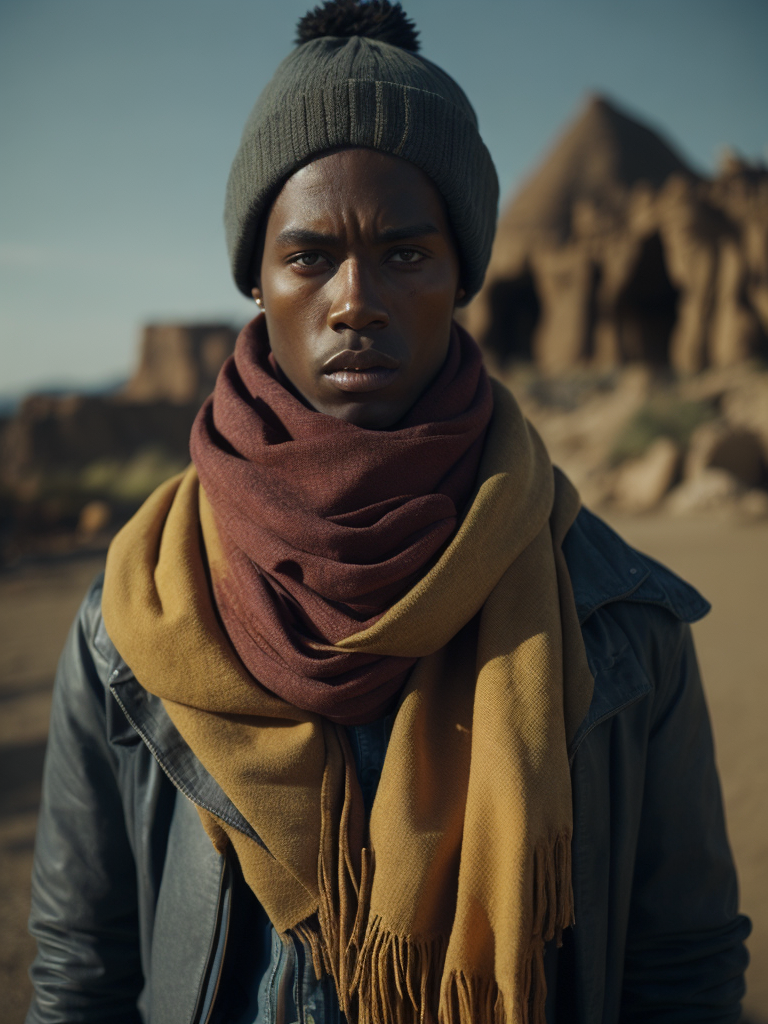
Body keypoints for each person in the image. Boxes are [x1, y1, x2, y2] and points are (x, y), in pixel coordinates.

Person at [26, 3, 750, 1022]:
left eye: (405, 254)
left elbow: (685, 969)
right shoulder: (131, 621)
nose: (353, 298)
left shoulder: (617, 616)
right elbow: (82, 968)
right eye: (310, 255)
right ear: (258, 279)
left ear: (461, 276)